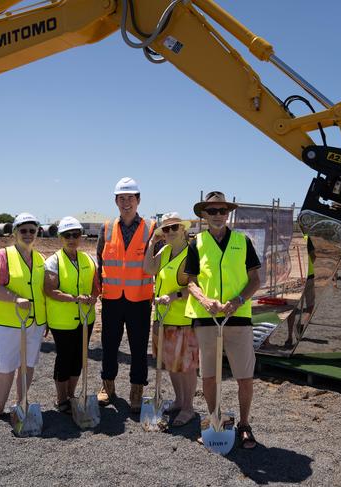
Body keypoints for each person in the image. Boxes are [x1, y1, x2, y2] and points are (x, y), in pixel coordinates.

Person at [185, 191, 261, 449]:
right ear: (204, 215)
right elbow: (191, 281)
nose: (218, 215)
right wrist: (205, 301)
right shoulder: (196, 243)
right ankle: (214, 419)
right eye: (212, 211)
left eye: (222, 210)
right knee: (208, 376)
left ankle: (244, 425)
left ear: (228, 213)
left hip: (238, 317)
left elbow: (255, 279)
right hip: (207, 319)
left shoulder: (243, 241)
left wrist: (238, 301)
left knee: (244, 376)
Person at [97, 177, 156, 414]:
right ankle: (107, 385)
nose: (126, 202)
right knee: (109, 344)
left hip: (140, 299)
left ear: (138, 200)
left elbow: (157, 263)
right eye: (122, 198)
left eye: (130, 198)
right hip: (111, 297)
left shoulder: (151, 229)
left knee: (139, 347)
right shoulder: (107, 227)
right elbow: (100, 259)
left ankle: (136, 389)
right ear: (115, 201)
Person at [0, 213, 47, 424]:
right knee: (6, 365)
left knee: (27, 364)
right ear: (15, 233)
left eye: (32, 230)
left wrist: (45, 320)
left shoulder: (40, 258)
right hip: (10, 322)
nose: (28, 234)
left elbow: (42, 291)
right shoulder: (4, 255)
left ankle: (21, 403)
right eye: (23, 230)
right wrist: (15, 298)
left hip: (35, 322)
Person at [143, 212, 198, 427]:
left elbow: (195, 286)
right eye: (166, 229)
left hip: (184, 319)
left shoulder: (191, 253)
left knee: (187, 366)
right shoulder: (165, 251)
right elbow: (148, 269)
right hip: (163, 318)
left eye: (174, 228)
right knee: (172, 364)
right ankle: (179, 400)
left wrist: (174, 296)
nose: (170, 232)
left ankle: (188, 407)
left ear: (183, 230)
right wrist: (151, 244)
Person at [44, 216, 100, 413]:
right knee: (65, 358)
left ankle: (71, 394)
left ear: (81, 236)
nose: (71, 238)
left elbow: (96, 287)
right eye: (67, 235)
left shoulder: (88, 259)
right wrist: (75, 299)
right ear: (60, 237)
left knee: (79, 357)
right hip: (62, 320)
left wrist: (93, 297)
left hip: (86, 319)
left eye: (75, 234)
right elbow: (50, 290)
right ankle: (61, 399)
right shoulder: (53, 261)